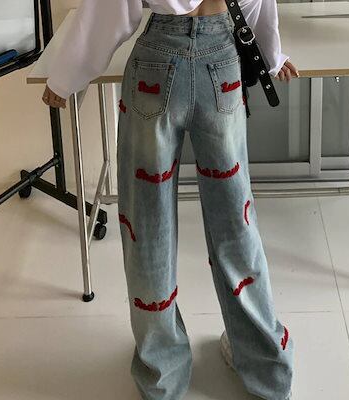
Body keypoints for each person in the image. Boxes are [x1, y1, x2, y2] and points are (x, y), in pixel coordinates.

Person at [43, 1, 299, 400]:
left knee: (147, 225)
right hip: (222, 61)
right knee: (236, 220)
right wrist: (272, 53)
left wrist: (64, 77)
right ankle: (267, 366)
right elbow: (256, 4)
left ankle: (162, 376)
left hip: (157, 64)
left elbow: (111, 10)